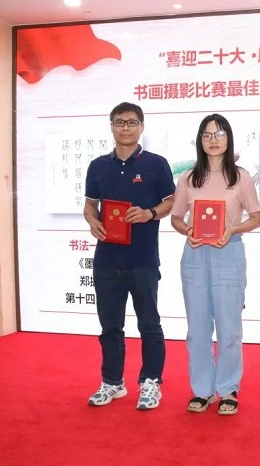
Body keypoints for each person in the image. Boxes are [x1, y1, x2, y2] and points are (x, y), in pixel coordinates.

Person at [84, 102, 175, 409]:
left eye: (131, 122)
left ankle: (151, 383)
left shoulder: (156, 164)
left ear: (141, 126)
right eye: (119, 122)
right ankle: (113, 382)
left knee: (149, 324)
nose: (125, 128)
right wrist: (93, 221)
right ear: (111, 126)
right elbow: (89, 205)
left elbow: (171, 201)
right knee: (110, 326)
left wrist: (150, 213)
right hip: (106, 260)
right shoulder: (98, 166)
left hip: (143, 259)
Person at [170, 114, 260, 415]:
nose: (213, 140)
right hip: (196, 255)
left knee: (229, 327)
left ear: (228, 139)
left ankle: (228, 388)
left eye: (219, 134)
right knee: (197, 328)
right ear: (200, 140)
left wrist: (233, 230)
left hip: (228, 254)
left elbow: (256, 217)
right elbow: (176, 217)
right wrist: (188, 231)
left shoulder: (241, 177)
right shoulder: (188, 178)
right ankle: (202, 390)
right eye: (207, 135)